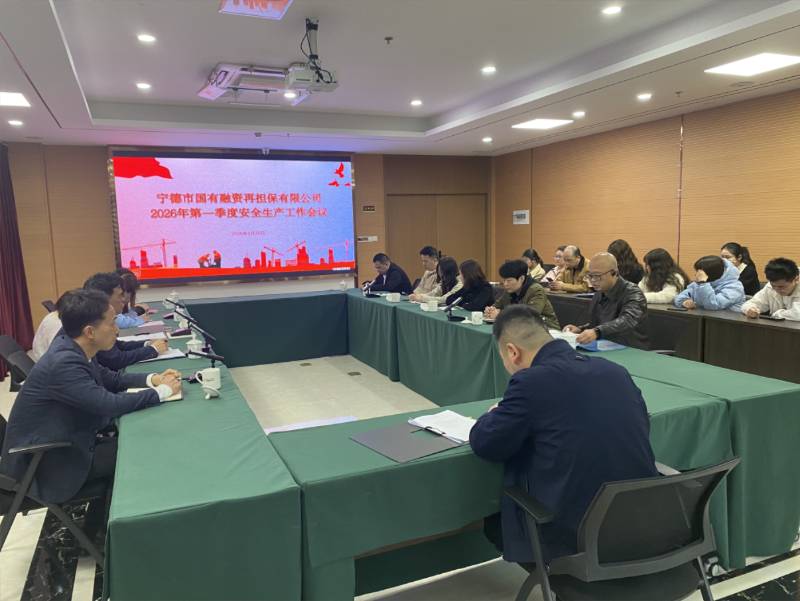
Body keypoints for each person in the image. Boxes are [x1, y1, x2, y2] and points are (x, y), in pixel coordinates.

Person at [470, 305, 658, 564]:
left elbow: (487, 443)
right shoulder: (615, 371)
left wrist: (493, 414)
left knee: (494, 521)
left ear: (512, 352)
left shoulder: (530, 382)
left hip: (573, 539)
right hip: (643, 526)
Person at [0, 289, 182, 505]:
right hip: (47, 467)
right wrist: (162, 392)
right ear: (90, 332)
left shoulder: (73, 346)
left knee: (141, 439)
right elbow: (109, 405)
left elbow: (112, 379)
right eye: (112, 323)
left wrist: (154, 379)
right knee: (144, 449)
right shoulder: (63, 363)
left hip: (69, 442)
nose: (116, 330)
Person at [563, 252, 649, 349]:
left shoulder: (633, 293)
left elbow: (627, 320)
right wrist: (580, 329)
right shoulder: (599, 292)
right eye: (590, 276)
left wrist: (597, 332)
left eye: (597, 276)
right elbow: (598, 323)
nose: (593, 280)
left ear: (614, 273)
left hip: (630, 348)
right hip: (605, 346)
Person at [485, 260, 559, 329]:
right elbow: (497, 305)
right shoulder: (510, 290)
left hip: (546, 329)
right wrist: (490, 310)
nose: (505, 284)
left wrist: (500, 314)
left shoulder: (536, 290)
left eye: (509, 280)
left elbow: (529, 316)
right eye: (504, 280)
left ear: (521, 278)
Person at [674, 256, 745, 311]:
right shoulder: (701, 283)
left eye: (700, 272)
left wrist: (703, 283)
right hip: (703, 320)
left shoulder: (735, 287)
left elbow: (713, 305)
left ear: (710, 273)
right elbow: (679, 297)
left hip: (726, 323)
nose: (696, 275)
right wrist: (684, 302)